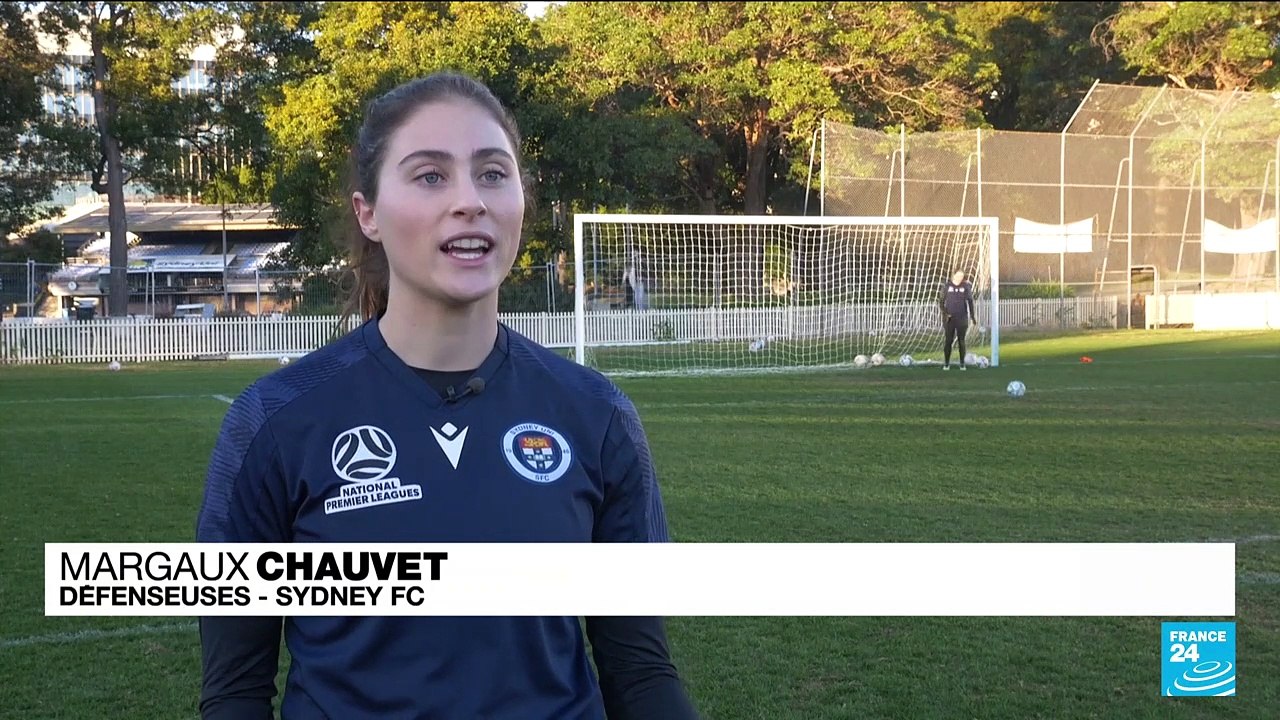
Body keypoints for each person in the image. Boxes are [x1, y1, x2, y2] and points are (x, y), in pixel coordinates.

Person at [196, 72, 699, 720]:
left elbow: (640, 674)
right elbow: (235, 693)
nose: (470, 200)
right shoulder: (274, 421)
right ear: (368, 213)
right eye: (431, 175)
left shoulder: (597, 415)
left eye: (492, 173)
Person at [938, 269, 976, 370]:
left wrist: (972, 316)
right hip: (949, 319)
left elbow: (970, 301)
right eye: (958, 276)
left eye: (962, 276)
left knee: (961, 341)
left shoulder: (965, 286)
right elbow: (941, 302)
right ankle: (946, 363)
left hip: (962, 318)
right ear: (954, 275)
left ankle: (962, 363)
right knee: (948, 341)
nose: (960, 278)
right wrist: (946, 313)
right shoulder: (947, 286)